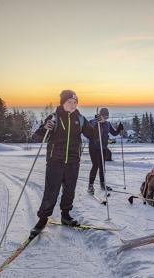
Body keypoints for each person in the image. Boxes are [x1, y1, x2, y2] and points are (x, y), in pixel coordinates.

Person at [31, 90, 101, 235]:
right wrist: (45, 128)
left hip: (73, 161)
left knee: (69, 190)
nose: (72, 105)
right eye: (69, 102)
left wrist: (99, 125)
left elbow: (93, 136)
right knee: (51, 191)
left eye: (75, 102)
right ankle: (43, 219)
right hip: (55, 162)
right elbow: (37, 137)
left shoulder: (80, 119)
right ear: (63, 103)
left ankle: (66, 216)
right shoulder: (54, 117)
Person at [87, 108, 124, 194]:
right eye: (104, 116)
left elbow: (114, 133)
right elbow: (88, 133)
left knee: (102, 167)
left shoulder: (107, 124)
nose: (105, 118)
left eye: (107, 117)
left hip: (103, 147)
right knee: (95, 165)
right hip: (94, 147)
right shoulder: (92, 122)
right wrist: (97, 124)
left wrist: (119, 129)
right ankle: (90, 185)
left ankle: (102, 184)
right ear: (100, 115)